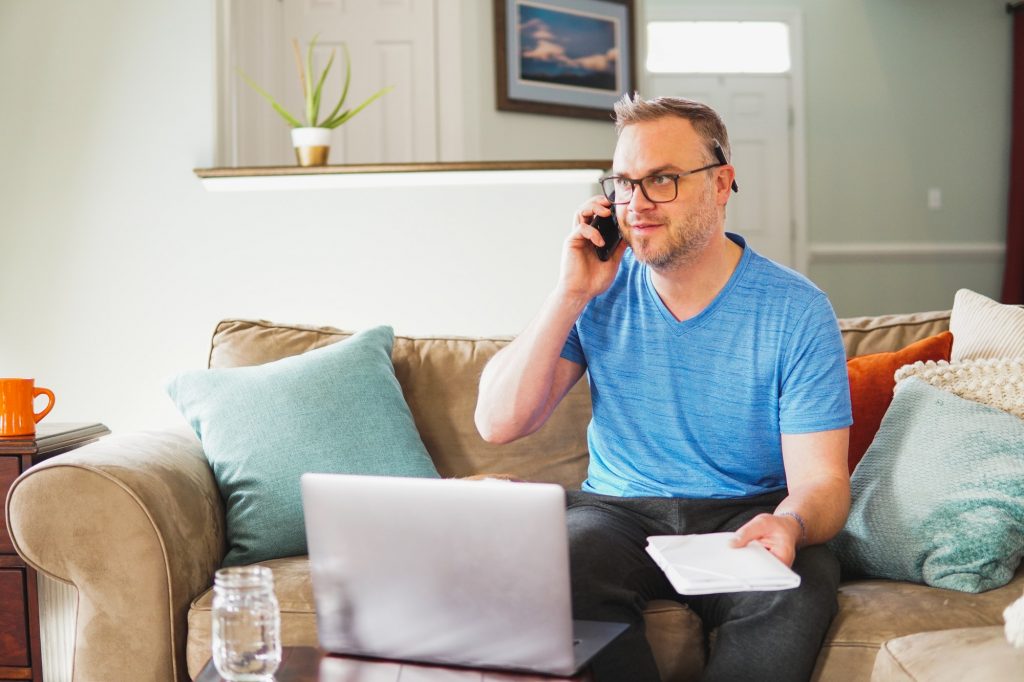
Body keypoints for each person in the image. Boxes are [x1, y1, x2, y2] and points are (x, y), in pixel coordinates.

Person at [474, 94, 853, 682]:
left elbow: (823, 482)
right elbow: (498, 424)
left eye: (663, 180)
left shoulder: (797, 310)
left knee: (799, 586)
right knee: (556, 565)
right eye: (624, 184)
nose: (638, 205)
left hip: (743, 517)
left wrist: (791, 523)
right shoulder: (599, 290)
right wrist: (570, 292)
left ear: (722, 183)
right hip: (614, 514)